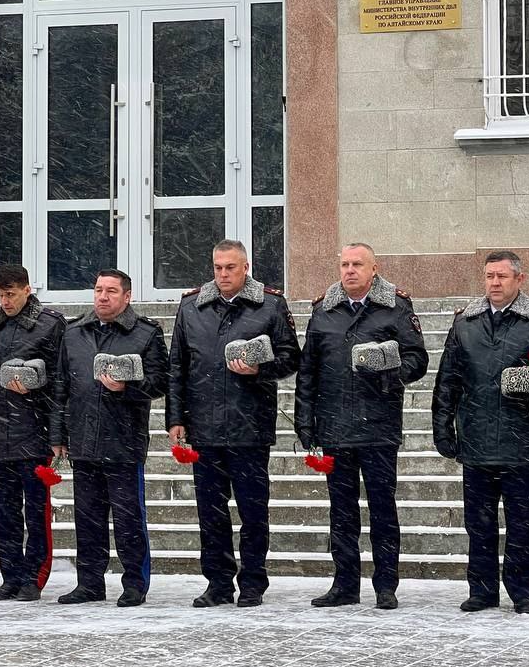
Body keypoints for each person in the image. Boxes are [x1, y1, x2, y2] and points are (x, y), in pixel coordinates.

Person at [432, 251, 529, 614]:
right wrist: (442, 427)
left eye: (502, 277)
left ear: (519, 280)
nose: (494, 283)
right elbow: (447, 379)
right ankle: (481, 590)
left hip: (518, 440)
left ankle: (522, 591)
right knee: (478, 524)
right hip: (476, 439)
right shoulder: (465, 322)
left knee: (521, 524)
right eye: (489, 276)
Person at [166, 240, 301, 608]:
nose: (223, 274)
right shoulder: (192, 306)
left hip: (249, 426)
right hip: (205, 429)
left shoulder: (270, 304)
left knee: (253, 511)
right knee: (210, 513)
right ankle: (218, 583)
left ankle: (253, 582)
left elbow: (292, 357)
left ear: (246, 267)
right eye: (217, 267)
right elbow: (177, 366)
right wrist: (175, 418)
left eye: (230, 267)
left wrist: (261, 368)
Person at [296, 242, 429, 609]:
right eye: (344, 264)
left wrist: (390, 370)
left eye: (357, 264)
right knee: (341, 513)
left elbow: (418, 359)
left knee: (383, 510)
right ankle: (344, 584)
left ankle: (386, 585)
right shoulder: (324, 311)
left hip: (378, 426)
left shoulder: (395, 307)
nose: (350, 270)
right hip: (336, 428)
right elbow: (308, 372)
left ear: (374, 269)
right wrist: (306, 423)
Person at [54, 269, 169, 608]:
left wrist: (128, 387)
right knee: (87, 519)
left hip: (124, 442)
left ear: (127, 296)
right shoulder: (74, 332)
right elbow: (62, 387)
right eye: (98, 290)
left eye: (111, 291)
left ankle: (135, 584)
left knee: (129, 519)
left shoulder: (145, 334)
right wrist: (59, 435)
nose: (103, 297)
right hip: (84, 441)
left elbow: (160, 382)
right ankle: (89, 583)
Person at [0, 265, 66, 602]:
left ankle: (34, 577)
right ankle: (9, 577)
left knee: (36, 512)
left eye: (11, 294)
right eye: (0, 294)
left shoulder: (50, 324)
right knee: (5, 512)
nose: (5, 301)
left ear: (28, 289)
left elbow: (59, 383)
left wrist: (55, 434)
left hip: (34, 433)